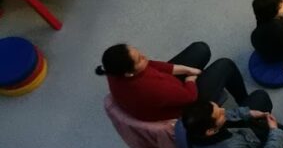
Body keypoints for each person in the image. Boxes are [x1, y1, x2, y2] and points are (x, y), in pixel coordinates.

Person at [97, 42, 250, 122]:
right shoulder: (149, 88)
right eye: (139, 59)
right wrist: (190, 79)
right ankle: (244, 101)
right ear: (129, 73)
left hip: (167, 90)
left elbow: (152, 65)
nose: (144, 55)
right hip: (186, 107)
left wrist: (186, 69)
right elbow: (189, 97)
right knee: (225, 65)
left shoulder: (114, 70)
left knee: (200, 48)